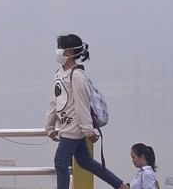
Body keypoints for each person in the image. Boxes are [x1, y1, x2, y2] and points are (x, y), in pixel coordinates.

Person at [46, 34, 125, 189]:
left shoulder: (77, 76)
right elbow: (53, 101)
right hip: (66, 126)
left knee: (60, 162)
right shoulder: (59, 73)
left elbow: (82, 105)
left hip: (73, 128)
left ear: (69, 52)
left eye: (60, 47)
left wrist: (88, 130)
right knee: (84, 161)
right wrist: (49, 126)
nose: (57, 51)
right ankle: (121, 186)